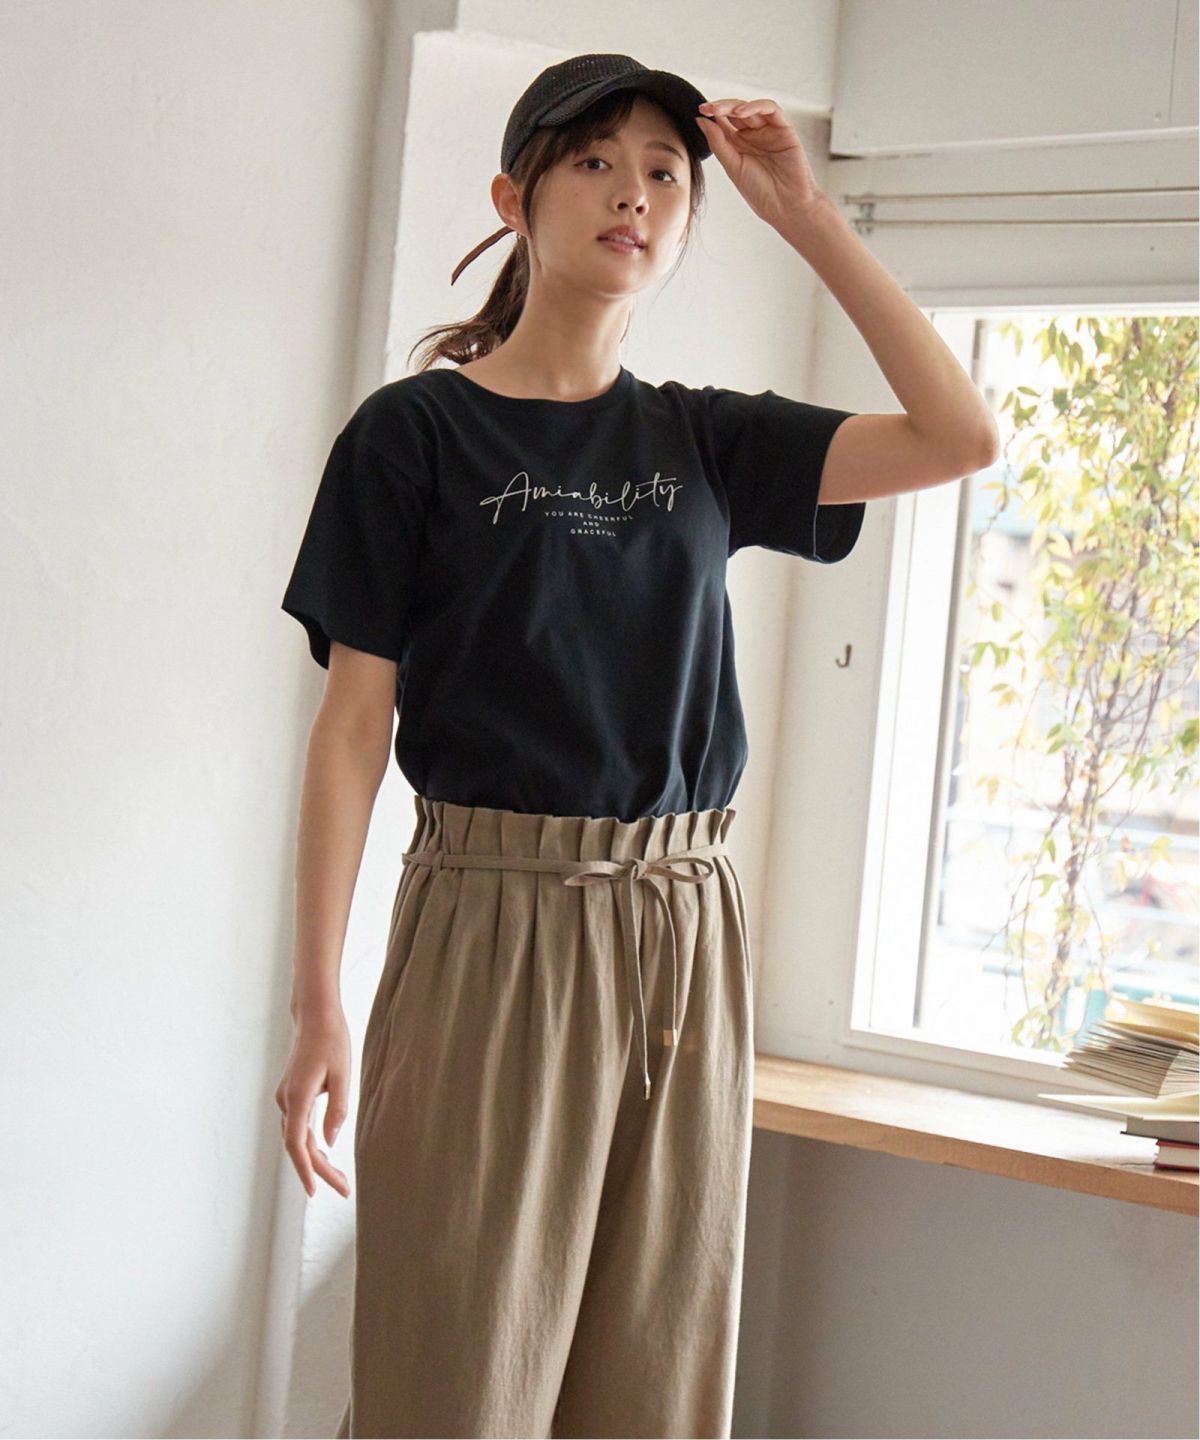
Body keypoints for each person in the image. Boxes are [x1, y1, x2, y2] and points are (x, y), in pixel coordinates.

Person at [274, 51, 998, 1440]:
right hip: (492, 920)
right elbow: (353, 728)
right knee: (455, 1370)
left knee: (654, 1378)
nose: (636, 195)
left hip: (684, 925)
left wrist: (808, 217)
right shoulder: (414, 436)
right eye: (597, 162)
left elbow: (959, 434)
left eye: (666, 174)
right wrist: (319, 1002)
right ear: (515, 197)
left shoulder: (704, 441)